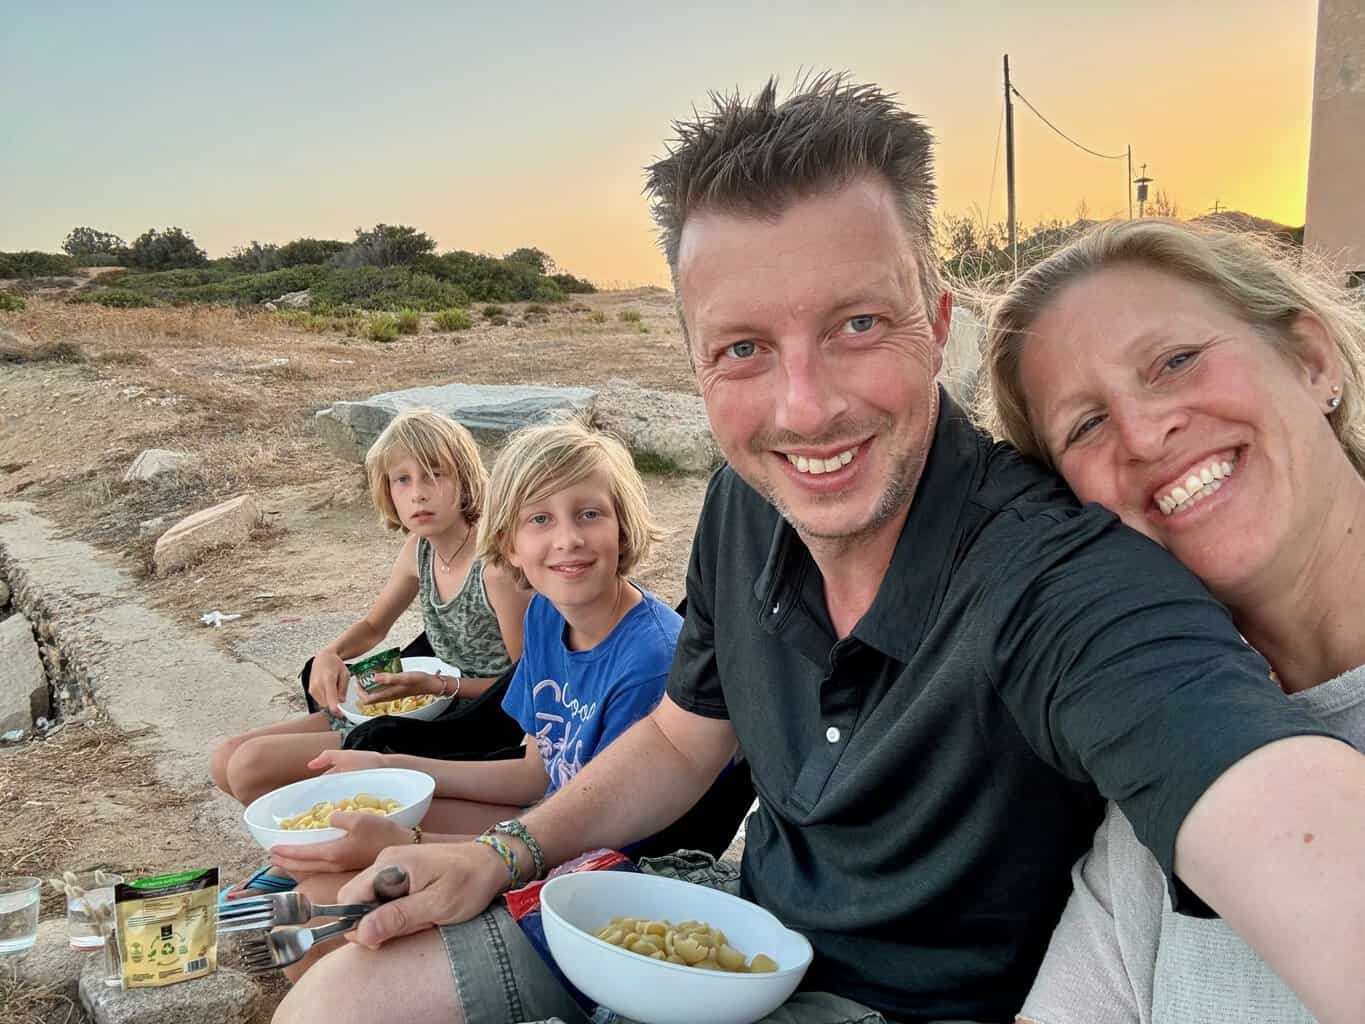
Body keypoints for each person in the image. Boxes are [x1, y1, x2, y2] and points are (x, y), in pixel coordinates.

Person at [274, 75, 1365, 1024]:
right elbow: (680, 737)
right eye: (744, 347)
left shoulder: (1056, 574)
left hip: (905, 1005)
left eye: (855, 325)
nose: (806, 409)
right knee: (339, 993)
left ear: (938, 324)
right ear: (698, 363)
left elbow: (1270, 805)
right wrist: (501, 852)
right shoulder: (744, 500)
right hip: (729, 916)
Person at [974, 219, 1365, 1023]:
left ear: (1311, 359)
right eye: (1084, 425)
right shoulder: (1163, 769)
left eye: (1175, 362)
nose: (1145, 434)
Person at [265, 418, 679, 973]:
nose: (568, 539)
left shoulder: (649, 659)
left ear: (624, 528)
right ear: (507, 540)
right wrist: (390, 764)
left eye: (590, 513)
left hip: (607, 872)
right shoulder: (546, 620)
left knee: (318, 936)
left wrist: (417, 838)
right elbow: (537, 772)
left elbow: (603, 832)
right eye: (539, 518)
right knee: (315, 879)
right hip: (546, 822)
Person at [209, 409, 530, 891]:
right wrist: (331, 653)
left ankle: (305, 860)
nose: (417, 492)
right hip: (416, 698)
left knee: (250, 767)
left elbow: (527, 681)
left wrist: (438, 685)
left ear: (465, 480)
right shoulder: (419, 549)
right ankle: (307, 848)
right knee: (226, 758)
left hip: (469, 719)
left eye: (433, 474)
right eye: (401, 479)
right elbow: (375, 626)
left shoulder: (494, 567)